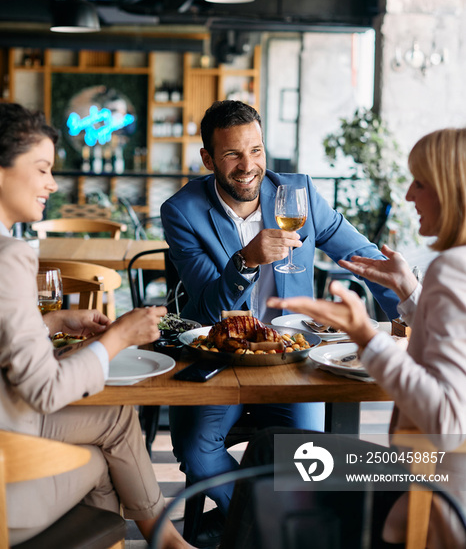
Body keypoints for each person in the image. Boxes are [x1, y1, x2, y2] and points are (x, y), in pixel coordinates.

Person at [160, 99, 399, 517]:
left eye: (255, 150)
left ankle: (251, 531)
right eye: (232, 153)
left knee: (308, 459)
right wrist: (245, 261)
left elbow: (363, 258)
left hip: (294, 356)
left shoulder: (298, 194)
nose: (247, 165)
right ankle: (258, 527)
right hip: (224, 356)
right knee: (197, 454)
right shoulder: (183, 212)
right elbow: (209, 306)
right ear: (208, 158)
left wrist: (407, 316)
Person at [0, 103, 193, 548]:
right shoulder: (8, 256)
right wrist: (118, 337)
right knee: (105, 453)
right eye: (42, 168)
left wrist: (49, 321)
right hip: (10, 465)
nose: (52, 183)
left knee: (115, 419)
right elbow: (44, 390)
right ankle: (164, 541)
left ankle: (162, 541)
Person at [269, 126, 466, 548]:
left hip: (435, 491)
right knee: (278, 455)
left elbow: (448, 423)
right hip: (429, 473)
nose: (409, 195)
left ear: (452, 190)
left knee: (277, 460)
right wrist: (409, 293)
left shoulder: (453, 269)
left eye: (420, 182)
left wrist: (365, 335)